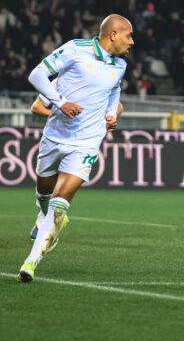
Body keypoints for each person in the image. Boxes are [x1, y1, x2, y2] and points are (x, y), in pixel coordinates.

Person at [18, 14, 133, 282]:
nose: (132, 41)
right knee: (45, 193)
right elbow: (36, 75)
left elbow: (114, 91)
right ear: (113, 35)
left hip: (87, 141)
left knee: (59, 206)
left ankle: (30, 262)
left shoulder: (120, 66)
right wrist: (59, 102)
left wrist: (110, 114)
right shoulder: (75, 49)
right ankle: (42, 215)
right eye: (128, 35)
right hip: (55, 136)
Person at [28, 92, 124, 247]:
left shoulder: (97, 83)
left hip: (82, 143)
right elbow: (36, 107)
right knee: (45, 185)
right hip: (55, 138)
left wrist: (107, 119)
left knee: (63, 188)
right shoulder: (57, 83)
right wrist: (62, 115)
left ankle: (47, 226)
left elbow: (118, 107)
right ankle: (43, 215)